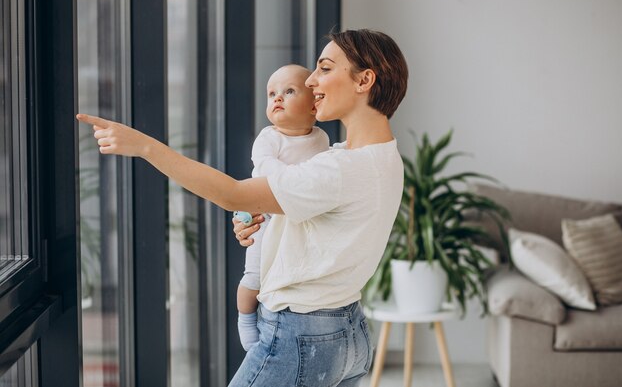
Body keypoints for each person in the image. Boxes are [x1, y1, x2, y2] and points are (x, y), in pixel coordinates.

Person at [77, 28, 409, 387]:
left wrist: (145, 147)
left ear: (364, 80)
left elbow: (233, 193)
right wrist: (267, 220)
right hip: (349, 332)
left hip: (303, 335)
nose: (312, 81)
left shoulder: (338, 169)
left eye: (325, 68)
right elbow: (319, 222)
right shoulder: (378, 157)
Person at [235, 64, 330, 351]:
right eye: (272, 93)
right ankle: (245, 317)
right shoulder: (268, 137)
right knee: (254, 276)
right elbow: (265, 167)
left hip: (296, 219)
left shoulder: (322, 139)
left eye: (289, 91)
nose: (277, 98)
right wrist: (295, 184)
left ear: (314, 107)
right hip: (263, 214)